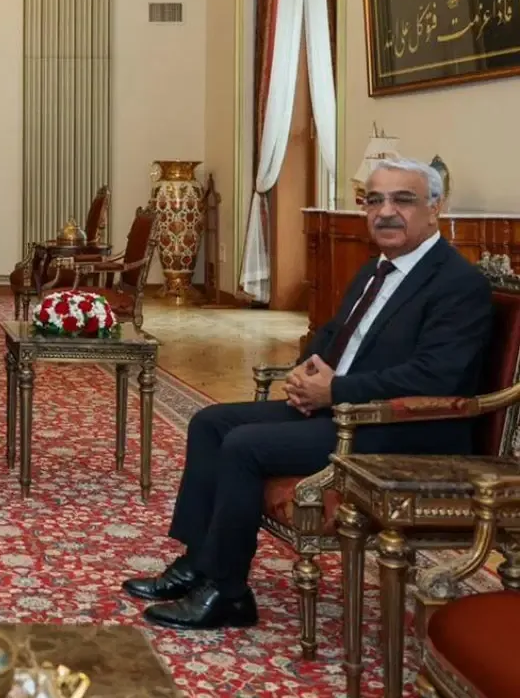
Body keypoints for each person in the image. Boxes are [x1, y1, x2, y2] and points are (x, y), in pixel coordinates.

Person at [123, 157, 493, 630]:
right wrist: (306, 371)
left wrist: (333, 391)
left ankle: (227, 592)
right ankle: (198, 562)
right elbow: (334, 334)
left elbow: (437, 378)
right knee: (211, 423)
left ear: (435, 208)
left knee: (244, 445)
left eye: (403, 200)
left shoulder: (457, 283)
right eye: (374, 200)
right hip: (345, 410)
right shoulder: (375, 269)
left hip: (405, 430)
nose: (385, 212)